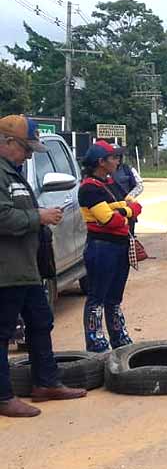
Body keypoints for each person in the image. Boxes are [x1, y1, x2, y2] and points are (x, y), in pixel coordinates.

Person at [0, 114, 86, 417]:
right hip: (5, 271)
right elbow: (3, 217)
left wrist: (38, 214)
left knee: (40, 322)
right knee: (3, 332)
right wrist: (39, 217)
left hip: (25, 267)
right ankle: (3, 396)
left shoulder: (13, 172)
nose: (27, 155)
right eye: (25, 149)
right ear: (8, 142)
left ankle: (46, 383)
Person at [78, 140, 141, 353]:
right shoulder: (89, 187)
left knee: (114, 298)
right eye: (113, 157)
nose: (117, 161)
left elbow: (131, 204)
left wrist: (122, 209)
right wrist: (126, 210)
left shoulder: (109, 182)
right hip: (101, 247)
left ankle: (119, 338)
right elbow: (109, 220)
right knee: (97, 297)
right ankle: (96, 343)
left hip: (119, 245)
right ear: (101, 162)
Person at [110, 145, 144, 236]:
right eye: (113, 157)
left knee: (129, 237)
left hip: (127, 209)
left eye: (118, 156)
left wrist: (129, 197)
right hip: (109, 210)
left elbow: (139, 185)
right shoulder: (103, 172)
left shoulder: (128, 169)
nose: (116, 159)